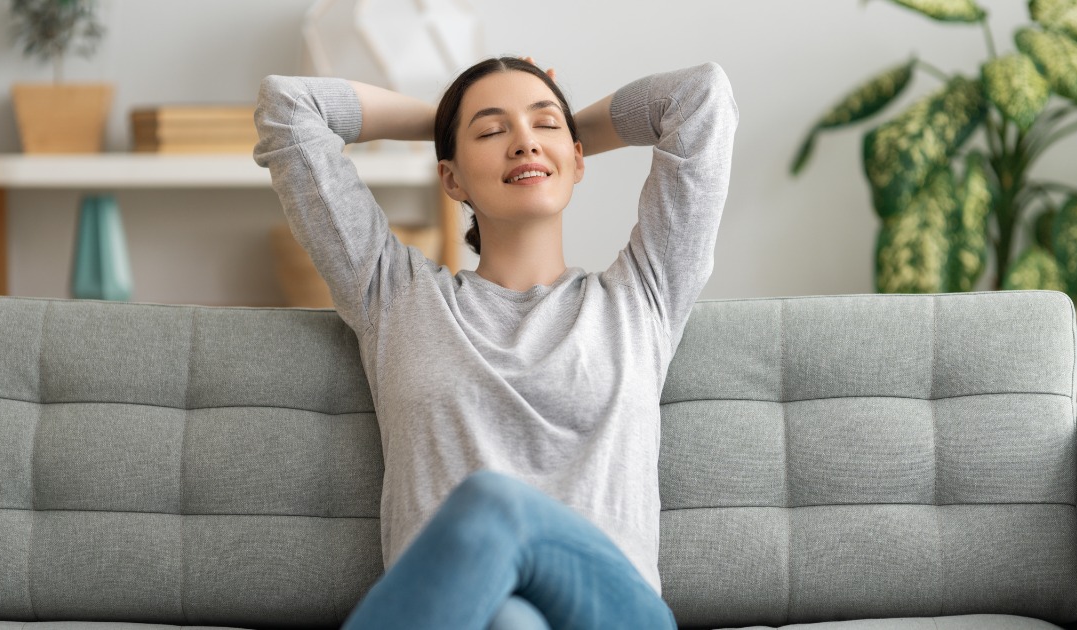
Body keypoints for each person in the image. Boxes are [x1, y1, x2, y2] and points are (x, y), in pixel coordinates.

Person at [254, 54, 738, 630]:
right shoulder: (396, 299)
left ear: (578, 157)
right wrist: (447, 119)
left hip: (613, 613)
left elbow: (699, 96)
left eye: (545, 126)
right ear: (451, 177)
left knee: (496, 504)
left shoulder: (644, 295)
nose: (524, 143)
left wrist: (545, 126)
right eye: (490, 130)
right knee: (511, 620)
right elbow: (290, 107)